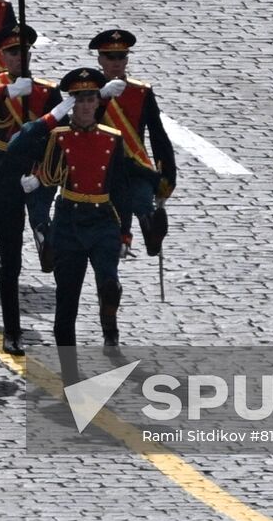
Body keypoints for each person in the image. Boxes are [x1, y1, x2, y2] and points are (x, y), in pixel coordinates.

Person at [9, 68, 129, 354]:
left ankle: (109, 319)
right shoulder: (57, 137)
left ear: (98, 102)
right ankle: (68, 370)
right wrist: (49, 119)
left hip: (103, 220)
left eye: (90, 99)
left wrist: (125, 233)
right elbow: (18, 148)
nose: (86, 106)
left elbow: (121, 190)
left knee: (108, 279)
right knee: (67, 300)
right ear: (70, 103)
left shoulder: (113, 139)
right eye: (79, 100)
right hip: (69, 221)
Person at [0, 24, 60, 355]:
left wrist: (43, 172)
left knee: (49, 230)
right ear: (2, 56)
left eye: (24, 52)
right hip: (2, 172)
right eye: (13, 53)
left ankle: (44, 233)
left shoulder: (46, 92)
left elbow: (60, 137)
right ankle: (12, 328)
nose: (20, 57)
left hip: (36, 171)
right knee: (10, 255)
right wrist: (6, 92)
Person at [89, 29, 176, 259]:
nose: (116, 63)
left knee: (141, 195)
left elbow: (157, 134)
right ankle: (122, 239)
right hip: (101, 165)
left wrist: (168, 175)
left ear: (127, 60)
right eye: (110, 57)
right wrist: (101, 98)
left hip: (134, 164)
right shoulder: (89, 92)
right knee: (116, 208)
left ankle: (151, 231)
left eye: (121, 57)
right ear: (99, 59)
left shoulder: (141, 92)